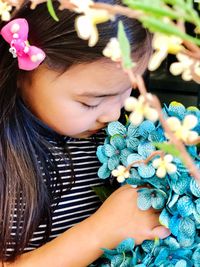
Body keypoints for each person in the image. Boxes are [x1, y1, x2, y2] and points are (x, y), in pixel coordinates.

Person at [0, 0, 171, 266]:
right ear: (23, 75)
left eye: (127, 91)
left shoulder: (112, 139)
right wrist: (100, 232)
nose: (114, 115)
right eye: (90, 102)